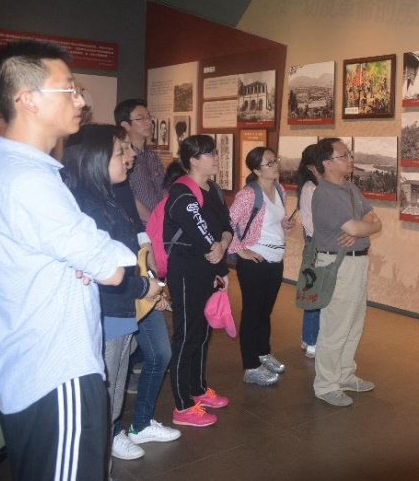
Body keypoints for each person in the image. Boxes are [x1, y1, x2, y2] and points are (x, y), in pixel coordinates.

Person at [0, 39, 135, 480]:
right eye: (69, 89)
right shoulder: (30, 181)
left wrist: (81, 257)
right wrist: (92, 258)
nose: (81, 101)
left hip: (20, 366)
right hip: (55, 370)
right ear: (27, 99)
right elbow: (114, 267)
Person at [61, 125, 164, 467]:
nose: (130, 156)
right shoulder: (86, 205)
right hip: (106, 312)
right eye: (121, 151)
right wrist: (144, 287)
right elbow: (105, 271)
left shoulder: (107, 196)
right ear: (96, 159)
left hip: (120, 310)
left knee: (113, 397)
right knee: (102, 402)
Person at [112, 131, 182, 449]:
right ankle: (113, 433)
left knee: (159, 353)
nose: (131, 155)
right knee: (113, 368)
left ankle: (140, 423)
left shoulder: (122, 186)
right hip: (117, 292)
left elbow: (140, 236)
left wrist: (155, 280)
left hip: (141, 282)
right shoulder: (89, 194)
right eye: (123, 149)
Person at [164, 135, 233, 427]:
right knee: (187, 335)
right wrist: (218, 256)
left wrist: (223, 247)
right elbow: (201, 234)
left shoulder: (212, 188)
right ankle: (182, 405)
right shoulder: (182, 192)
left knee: (203, 333)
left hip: (209, 269)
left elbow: (226, 225)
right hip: (186, 271)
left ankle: (197, 389)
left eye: (215, 153)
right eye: (210, 154)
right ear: (193, 160)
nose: (216, 158)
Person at [312, 138, 382, 407]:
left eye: (349, 154)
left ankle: (344, 375)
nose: (350, 159)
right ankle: (326, 385)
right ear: (327, 163)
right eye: (343, 155)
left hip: (357, 262)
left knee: (354, 324)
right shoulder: (325, 194)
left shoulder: (350, 187)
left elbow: (374, 220)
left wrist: (361, 229)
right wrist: (359, 229)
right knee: (335, 327)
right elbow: (354, 228)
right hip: (337, 264)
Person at [228, 147, 295, 386]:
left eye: (276, 160)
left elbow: (271, 220)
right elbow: (228, 222)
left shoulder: (279, 189)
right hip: (255, 261)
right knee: (252, 313)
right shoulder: (248, 194)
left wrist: (285, 223)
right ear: (256, 170)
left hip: (275, 260)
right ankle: (251, 366)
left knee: (265, 312)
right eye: (269, 163)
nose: (276, 165)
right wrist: (240, 250)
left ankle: (263, 353)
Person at [116, 98, 166, 224]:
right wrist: (155, 223)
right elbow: (128, 198)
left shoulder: (152, 156)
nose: (148, 122)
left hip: (161, 225)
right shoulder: (123, 159)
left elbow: (164, 188)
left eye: (148, 117)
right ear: (126, 125)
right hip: (141, 227)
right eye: (141, 118)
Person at [297, 144, 322, 359]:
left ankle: (308, 338)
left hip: (319, 243)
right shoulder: (310, 188)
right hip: (317, 244)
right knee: (314, 294)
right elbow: (313, 224)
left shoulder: (319, 187)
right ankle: (312, 340)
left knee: (317, 292)